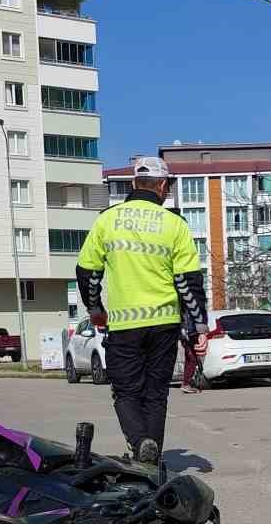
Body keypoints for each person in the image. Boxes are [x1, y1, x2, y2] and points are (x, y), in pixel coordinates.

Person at [75, 156, 208, 459]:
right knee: (156, 394)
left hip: (124, 325)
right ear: (163, 186)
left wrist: (95, 309)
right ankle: (152, 455)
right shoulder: (175, 224)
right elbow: (188, 282)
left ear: (134, 183)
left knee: (126, 392)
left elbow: (88, 273)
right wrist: (198, 328)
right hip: (164, 323)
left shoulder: (107, 220)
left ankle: (138, 444)